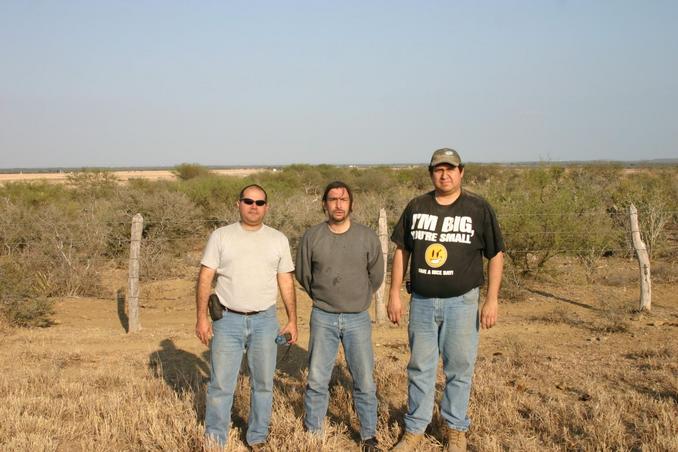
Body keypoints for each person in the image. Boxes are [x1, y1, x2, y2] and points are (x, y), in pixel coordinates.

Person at [388, 149, 504, 452]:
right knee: (420, 367)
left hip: (463, 303)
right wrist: (393, 294)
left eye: (450, 169)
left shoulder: (478, 208)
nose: (444, 174)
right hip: (423, 302)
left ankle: (455, 429)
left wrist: (491, 300)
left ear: (461, 172)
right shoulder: (417, 207)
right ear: (431, 173)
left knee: (459, 368)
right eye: (438, 169)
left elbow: (495, 255)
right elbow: (402, 251)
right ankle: (415, 429)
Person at [195, 184, 298, 451]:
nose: (254, 206)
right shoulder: (221, 236)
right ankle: (215, 438)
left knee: (263, 383)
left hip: (265, 320)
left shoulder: (278, 239)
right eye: (248, 201)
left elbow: (286, 280)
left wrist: (292, 319)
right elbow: (206, 277)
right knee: (221, 384)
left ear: (267, 207)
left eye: (259, 203)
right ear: (238, 204)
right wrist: (201, 319)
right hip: (227, 320)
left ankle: (257, 436)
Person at [295, 181, 384, 452]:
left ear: (351, 204)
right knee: (317, 379)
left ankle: (368, 436)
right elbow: (303, 274)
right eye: (332, 199)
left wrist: (357, 298)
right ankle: (314, 433)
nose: (338, 204)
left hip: (358, 317)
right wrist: (324, 298)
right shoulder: (312, 237)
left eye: (343, 199)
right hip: (323, 315)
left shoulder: (367, 237)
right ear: (324, 204)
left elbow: (376, 276)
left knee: (364, 379)